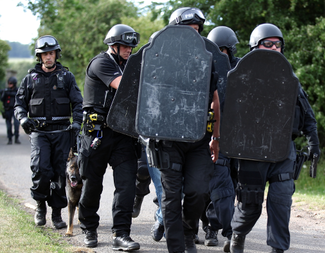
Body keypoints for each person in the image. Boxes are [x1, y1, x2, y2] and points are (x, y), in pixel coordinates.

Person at [229, 23, 321, 253]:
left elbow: (307, 115)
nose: (273, 48)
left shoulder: (289, 80)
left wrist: (314, 143)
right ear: (255, 47)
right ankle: (237, 236)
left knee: (281, 203)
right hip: (250, 151)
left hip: (282, 150)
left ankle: (277, 249)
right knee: (250, 205)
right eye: (266, 44)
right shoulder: (240, 77)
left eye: (277, 44)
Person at [153, 7, 220, 253]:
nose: (195, 35)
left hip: (198, 137)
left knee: (198, 191)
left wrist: (216, 137)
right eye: (189, 30)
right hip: (168, 139)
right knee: (171, 198)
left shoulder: (206, 60)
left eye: (197, 31)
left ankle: (189, 233)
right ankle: (176, 248)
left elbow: (214, 99)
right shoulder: (159, 58)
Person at [77, 24, 141, 251]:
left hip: (123, 134)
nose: (129, 50)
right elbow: (123, 87)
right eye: (125, 46)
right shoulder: (101, 63)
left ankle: (121, 234)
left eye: (132, 46)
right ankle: (89, 228)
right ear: (113, 45)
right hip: (97, 134)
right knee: (92, 184)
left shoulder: (131, 64)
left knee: (127, 185)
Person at [14, 35, 83, 230]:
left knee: (61, 174)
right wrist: (23, 118)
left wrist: (77, 122)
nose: (48, 57)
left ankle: (57, 213)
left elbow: (78, 102)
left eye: (51, 53)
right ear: (40, 56)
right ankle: (40, 206)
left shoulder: (66, 77)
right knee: (41, 169)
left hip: (62, 131)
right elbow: (19, 103)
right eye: (45, 54)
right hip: (39, 132)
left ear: (56, 54)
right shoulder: (30, 79)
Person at [192, 25, 241, 252]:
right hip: (213, 137)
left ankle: (224, 229)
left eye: (224, 51)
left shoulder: (241, 69)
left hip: (238, 140)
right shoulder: (204, 69)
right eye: (216, 50)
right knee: (217, 188)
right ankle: (215, 229)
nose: (220, 55)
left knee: (233, 188)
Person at [0, 77, 21, 144]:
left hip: (15, 110)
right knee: (8, 125)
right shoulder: (6, 90)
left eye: (11, 83)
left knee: (16, 124)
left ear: (14, 84)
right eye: (9, 83)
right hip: (7, 110)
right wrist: (4, 93)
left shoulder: (18, 90)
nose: (9, 84)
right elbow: (2, 99)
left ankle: (16, 138)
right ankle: (9, 138)